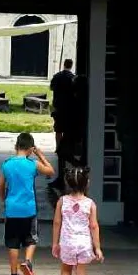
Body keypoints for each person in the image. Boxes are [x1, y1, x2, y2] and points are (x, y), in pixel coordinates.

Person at [0, 132, 55, 275]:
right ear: (30, 149)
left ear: (16, 146)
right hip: (29, 209)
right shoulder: (32, 164)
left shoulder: (7, 164)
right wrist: (40, 154)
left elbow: (0, 185)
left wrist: (5, 200)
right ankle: (27, 262)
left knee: (12, 242)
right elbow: (50, 171)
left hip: (12, 209)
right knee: (31, 238)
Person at [52, 164, 103, 275]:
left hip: (67, 241)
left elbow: (56, 222)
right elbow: (94, 226)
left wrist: (55, 243)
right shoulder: (90, 204)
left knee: (66, 269)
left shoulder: (62, 201)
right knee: (81, 273)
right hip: (84, 243)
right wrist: (97, 247)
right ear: (87, 183)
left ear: (68, 183)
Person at [50, 58, 76, 187]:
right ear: (71, 65)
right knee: (66, 132)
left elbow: (52, 88)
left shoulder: (57, 76)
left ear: (64, 65)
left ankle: (58, 146)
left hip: (59, 109)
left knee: (58, 130)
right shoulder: (73, 78)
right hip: (70, 111)